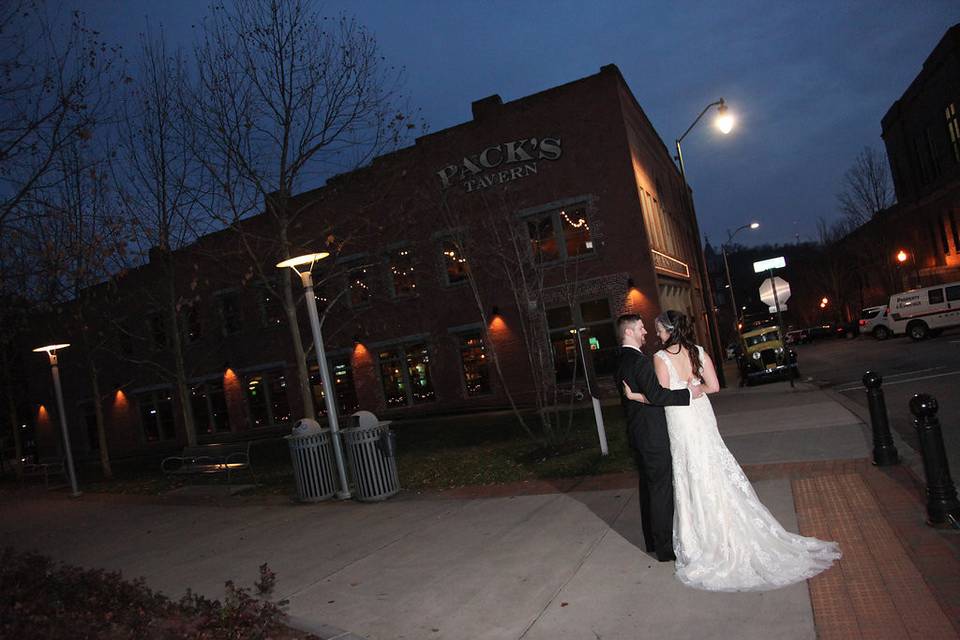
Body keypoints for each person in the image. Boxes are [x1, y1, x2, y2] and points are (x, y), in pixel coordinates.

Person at [623, 310, 840, 591]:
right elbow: (713, 387)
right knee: (711, 467)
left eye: (660, 331)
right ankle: (725, 527)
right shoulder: (699, 351)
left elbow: (660, 396)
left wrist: (634, 395)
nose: (657, 335)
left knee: (690, 471)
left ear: (669, 331)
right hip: (701, 415)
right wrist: (694, 387)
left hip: (680, 419)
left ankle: (703, 539)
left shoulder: (661, 358)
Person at [615, 313, 703, 562]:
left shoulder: (619, 359)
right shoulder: (639, 361)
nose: (646, 332)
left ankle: (652, 541)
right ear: (629, 332)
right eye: (642, 328)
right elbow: (657, 395)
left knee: (647, 488)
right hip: (652, 437)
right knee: (660, 490)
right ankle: (665, 549)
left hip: (637, 434)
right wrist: (688, 394)